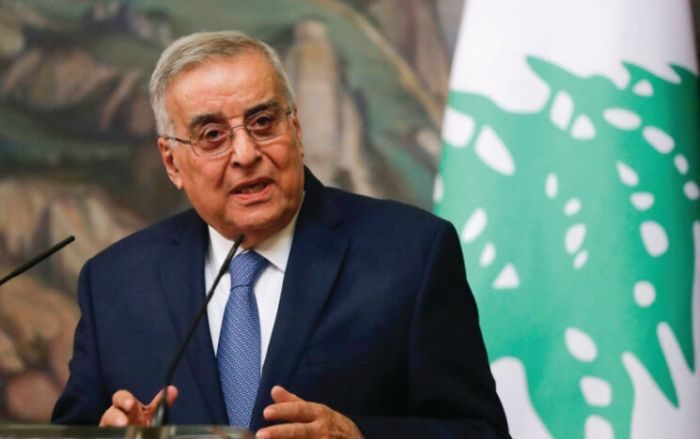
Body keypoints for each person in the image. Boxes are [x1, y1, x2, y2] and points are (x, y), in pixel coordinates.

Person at [51, 31, 510, 439]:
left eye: (263, 123)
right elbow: (74, 432)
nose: (246, 153)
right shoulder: (116, 282)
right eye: (212, 135)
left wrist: (358, 436)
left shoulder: (410, 254)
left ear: (296, 129)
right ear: (172, 162)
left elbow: (480, 431)